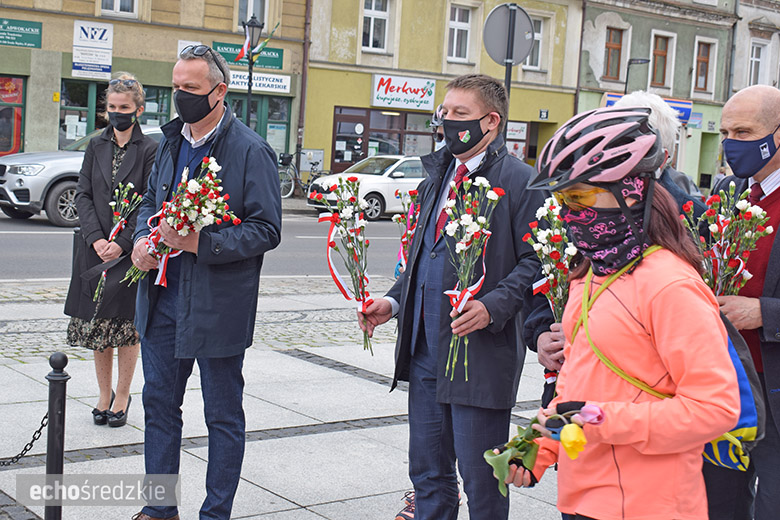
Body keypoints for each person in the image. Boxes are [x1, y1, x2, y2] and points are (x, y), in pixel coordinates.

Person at [504, 106, 740, 519]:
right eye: (561, 199)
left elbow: (715, 408)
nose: (568, 214)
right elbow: (576, 383)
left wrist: (600, 419)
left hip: (651, 504)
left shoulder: (671, 285)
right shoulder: (589, 275)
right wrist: (539, 447)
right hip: (583, 496)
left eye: (579, 197)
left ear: (630, 193)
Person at [359, 73, 544, 520]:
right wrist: (393, 302)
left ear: (492, 121)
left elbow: (537, 261)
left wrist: (492, 306)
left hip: (479, 355)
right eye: (445, 112)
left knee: (483, 483)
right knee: (427, 475)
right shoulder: (435, 175)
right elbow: (422, 256)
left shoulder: (522, 182)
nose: (447, 121)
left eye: (461, 113)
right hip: (425, 352)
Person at [130, 45, 281, 520]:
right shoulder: (170, 141)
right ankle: (159, 510)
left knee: (222, 415)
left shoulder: (251, 150)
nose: (181, 96)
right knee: (158, 406)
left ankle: (215, 514)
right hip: (162, 298)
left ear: (220, 91)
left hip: (218, 305)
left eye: (190, 88)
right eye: (176, 86)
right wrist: (141, 241)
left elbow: (266, 229)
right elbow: (149, 202)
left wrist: (201, 243)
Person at [64, 73, 157, 428]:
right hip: (95, 248)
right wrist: (95, 238)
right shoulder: (95, 145)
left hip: (128, 251)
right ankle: (103, 394)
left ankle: (122, 395)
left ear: (138, 110)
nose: (117, 113)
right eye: (112, 107)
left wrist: (123, 241)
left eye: (124, 107)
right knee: (99, 326)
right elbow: (83, 193)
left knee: (125, 327)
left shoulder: (149, 150)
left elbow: (148, 201)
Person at [707, 83, 780, 520]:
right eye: (726, 133)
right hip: (725, 385)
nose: (732, 144)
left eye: (745, 132)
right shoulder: (729, 192)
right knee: (719, 505)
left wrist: (763, 313)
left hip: (773, 389)